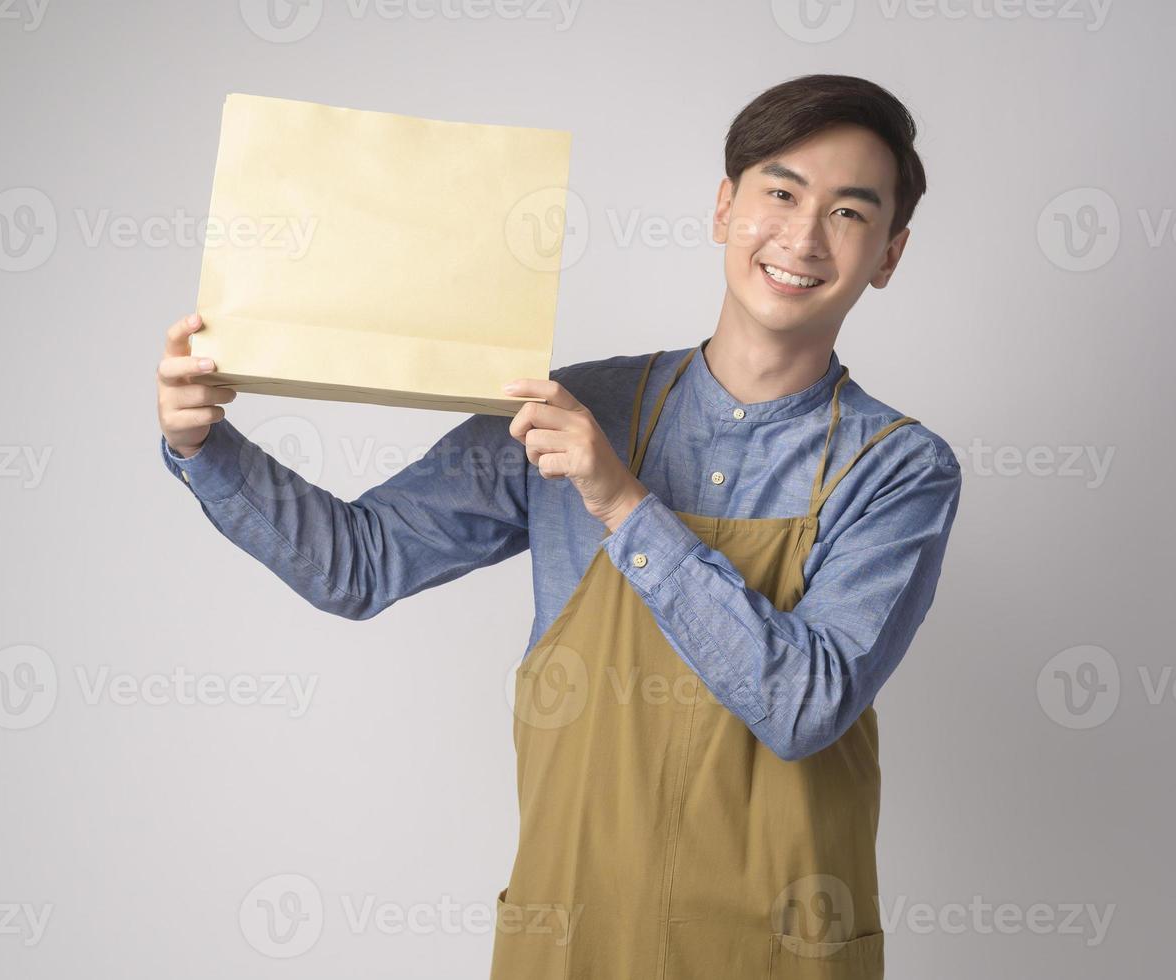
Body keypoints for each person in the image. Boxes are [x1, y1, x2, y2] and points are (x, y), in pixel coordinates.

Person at [156, 73, 961, 979]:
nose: (803, 236)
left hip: (774, 951)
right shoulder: (584, 408)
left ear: (888, 253)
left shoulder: (897, 469)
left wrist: (623, 504)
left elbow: (802, 707)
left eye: (849, 213)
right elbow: (360, 564)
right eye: (779, 192)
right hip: (574, 935)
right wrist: (205, 445)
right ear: (724, 206)